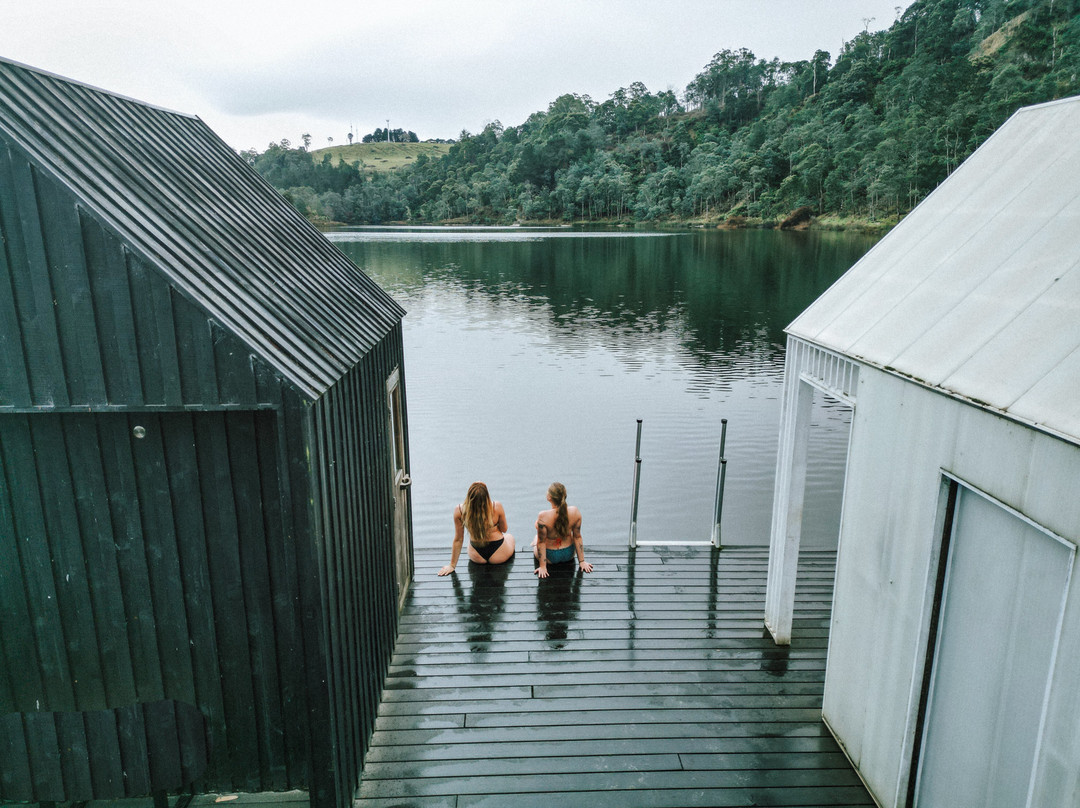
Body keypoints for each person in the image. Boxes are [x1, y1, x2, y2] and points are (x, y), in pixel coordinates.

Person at [438, 481, 515, 575]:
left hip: (477, 555)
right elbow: (504, 529)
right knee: (509, 536)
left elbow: (458, 539)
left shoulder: (459, 511)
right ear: (486, 496)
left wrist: (452, 565)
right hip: (499, 554)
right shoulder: (496, 506)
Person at [533, 482, 593, 578]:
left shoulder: (543, 516)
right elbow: (577, 537)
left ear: (549, 497)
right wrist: (582, 561)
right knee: (573, 535)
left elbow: (541, 543)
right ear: (565, 496)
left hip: (550, 557)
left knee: (537, 539)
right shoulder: (575, 511)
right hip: (568, 554)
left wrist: (543, 567)